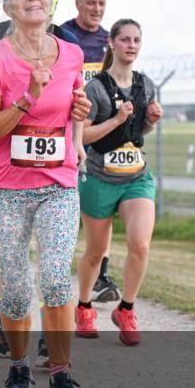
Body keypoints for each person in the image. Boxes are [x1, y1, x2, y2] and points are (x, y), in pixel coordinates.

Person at [0, 0, 92, 388]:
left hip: (58, 184)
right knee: (17, 288)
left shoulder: (72, 54)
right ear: (8, 6)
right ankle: (19, 369)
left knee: (57, 278)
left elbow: (73, 108)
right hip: (7, 188)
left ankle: (61, 377)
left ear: (51, 2)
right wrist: (25, 99)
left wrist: (78, 115)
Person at [75, 18, 162, 345]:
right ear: (112, 43)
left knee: (140, 245)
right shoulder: (96, 88)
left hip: (136, 177)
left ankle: (126, 309)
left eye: (136, 40)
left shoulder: (146, 85)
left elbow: (138, 132)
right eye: (125, 39)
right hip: (99, 179)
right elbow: (83, 136)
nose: (131, 45)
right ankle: (84, 306)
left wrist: (150, 120)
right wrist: (116, 119)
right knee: (96, 252)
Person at [60, 0, 121, 305]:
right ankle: (61, 270)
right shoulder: (63, 36)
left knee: (102, 207)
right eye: (91, 3)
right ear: (77, 4)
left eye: (102, 3)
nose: (97, 9)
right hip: (66, 130)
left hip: (99, 134)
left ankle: (102, 275)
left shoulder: (109, 41)